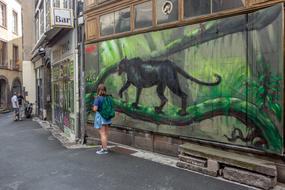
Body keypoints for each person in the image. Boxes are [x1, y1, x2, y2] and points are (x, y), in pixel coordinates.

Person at [93, 84, 113, 155]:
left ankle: (104, 149)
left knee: (102, 134)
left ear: (98, 90)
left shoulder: (98, 98)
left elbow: (95, 109)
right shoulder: (108, 97)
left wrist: (95, 108)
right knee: (106, 133)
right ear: (105, 90)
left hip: (101, 117)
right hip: (107, 117)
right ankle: (104, 147)